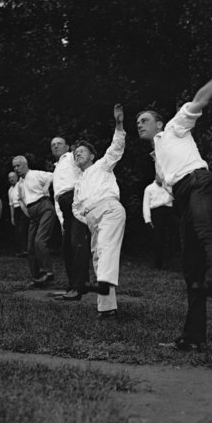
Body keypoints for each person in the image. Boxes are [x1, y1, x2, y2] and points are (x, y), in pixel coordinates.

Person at [137, 47, 212, 351]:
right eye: (138, 122)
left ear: (159, 123)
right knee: (190, 268)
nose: (140, 124)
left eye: (144, 119)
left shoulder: (174, 128)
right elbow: (166, 182)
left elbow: (201, 98)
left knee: (206, 231)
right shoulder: (157, 152)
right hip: (184, 198)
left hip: (199, 184)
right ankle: (193, 336)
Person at [72, 104, 127, 318]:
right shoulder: (78, 183)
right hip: (93, 220)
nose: (78, 154)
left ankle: (103, 285)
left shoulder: (102, 166)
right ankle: (107, 309)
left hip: (109, 210)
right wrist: (88, 219)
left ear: (93, 156)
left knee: (105, 251)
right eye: (75, 153)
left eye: (82, 152)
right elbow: (76, 208)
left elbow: (116, 147)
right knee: (98, 258)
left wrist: (119, 124)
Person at [50, 136, 92, 299]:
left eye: (59, 144)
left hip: (76, 198)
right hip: (63, 204)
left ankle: (79, 286)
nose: (55, 146)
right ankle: (73, 285)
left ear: (67, 147)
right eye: (53, 145)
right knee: (67, 245)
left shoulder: (71, 157)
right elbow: (56, 197)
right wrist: (61, 220)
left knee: (77, 243)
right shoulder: (57, 167)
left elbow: (87, 168)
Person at [12, 155, 56, 286]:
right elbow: (20, 200)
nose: (16, 169)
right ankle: (37, 278)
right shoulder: (19, 184)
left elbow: (53, 176)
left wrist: (46, 186)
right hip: (32, 213)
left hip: (44, 207)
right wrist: (28, 214)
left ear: (25, 164)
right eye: (14, 166)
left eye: (18, 165)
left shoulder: (35, 174)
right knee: (30, 247)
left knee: (40, 241)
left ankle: (47, 272)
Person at [142, 173, 177, 269]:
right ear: (155, 176)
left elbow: (174, 197)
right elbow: (146, 205)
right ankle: (158, 264)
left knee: (175, 235)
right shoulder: (149, 188)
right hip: (157, 213)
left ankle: (174, 262)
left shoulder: (169, 188)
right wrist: (148, 219)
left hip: (169, 212)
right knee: (159, 238)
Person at [7, 171, 28, 257]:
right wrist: (12, 217)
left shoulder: (21, 184)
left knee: (22, 229)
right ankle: (20, 250)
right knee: (17, 231)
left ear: (16, 177)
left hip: (22, 207)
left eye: (13, 177)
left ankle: (26, 250)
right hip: (16, 210)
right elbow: (11, 204)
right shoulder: (10, 190)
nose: (11, 179)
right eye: (10, 177)